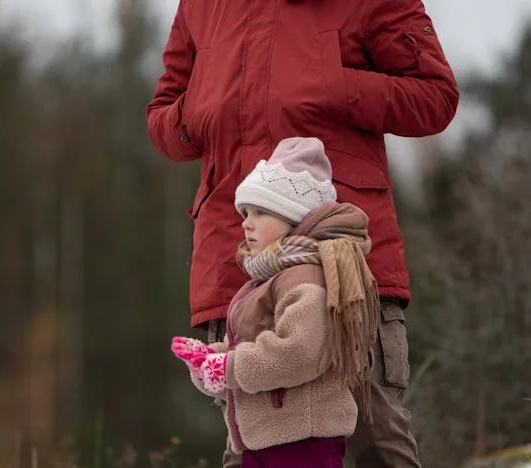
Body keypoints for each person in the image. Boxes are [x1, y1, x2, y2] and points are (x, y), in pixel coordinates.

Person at [146, 0, 459, 465]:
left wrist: (333, 84)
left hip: (345, 268)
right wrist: (203, 105)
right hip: (237, 264)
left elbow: (435, 99)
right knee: (254, 444)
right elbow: (162, 121)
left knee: (373, 441)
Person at [171, 137, 378, 468]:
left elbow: (300, 351)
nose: (246, 222)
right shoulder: (266, 279)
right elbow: (254, 348)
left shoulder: (305, 275)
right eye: (245, 212)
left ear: (293, 218)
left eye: (260, 212)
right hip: (268, 439)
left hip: (302, 443)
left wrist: (228, 368)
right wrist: (212, 362)